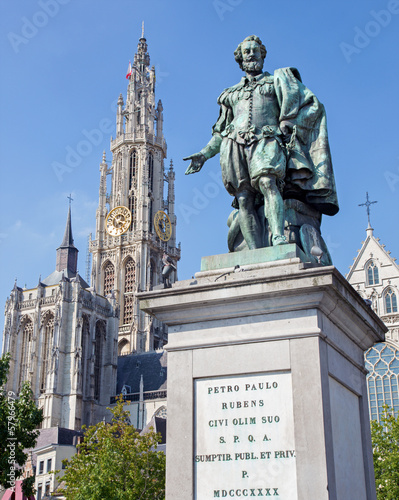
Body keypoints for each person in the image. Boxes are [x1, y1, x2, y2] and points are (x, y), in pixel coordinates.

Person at [184, 35, 338, 249]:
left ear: (263, 55)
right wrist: (204, 154)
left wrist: (289, 123)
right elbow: (220, 132)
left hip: (266, 139)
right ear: (240, 59)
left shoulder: (277, 81)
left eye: (255, 50)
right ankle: (254, 252)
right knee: (244, 199)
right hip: (234, 145)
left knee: (268, 183)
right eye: (246, 51)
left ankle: (277, 237)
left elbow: (312, 105)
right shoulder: (230, 94)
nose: (251, 54)